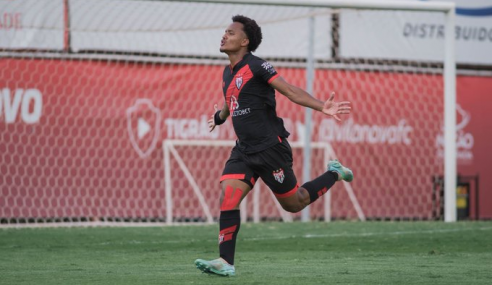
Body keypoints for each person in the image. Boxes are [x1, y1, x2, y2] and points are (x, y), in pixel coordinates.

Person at [194, 15, 353, 277]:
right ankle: (225, 262)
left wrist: (321, 105)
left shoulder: (258, 66)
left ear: (245, 41)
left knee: (294, 203)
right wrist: (218, 118)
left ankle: (334, 172)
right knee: (228, 196)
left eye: (231, 33)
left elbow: (289, 90)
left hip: (270, 148)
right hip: (244, 149)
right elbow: (229, 102)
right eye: (224, 32)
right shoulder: (227, 72)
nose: (224, 36)